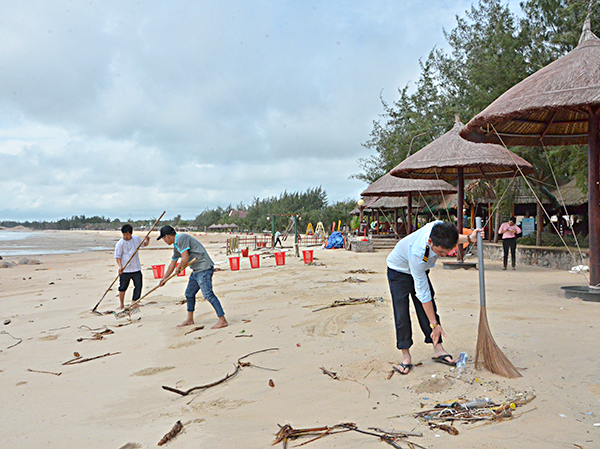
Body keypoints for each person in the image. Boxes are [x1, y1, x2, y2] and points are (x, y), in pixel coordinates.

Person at [386, 220, 480, 375]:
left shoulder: (441, 229)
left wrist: (470, 238)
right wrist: (434, 325)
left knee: (429, 309)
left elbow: (454, 237)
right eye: (440, 253)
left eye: (445, 253)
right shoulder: (418, 252)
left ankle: (438, 349)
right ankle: (406, 356)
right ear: (430, 242)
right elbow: (422, 294)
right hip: (399, 270)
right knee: (402, 312)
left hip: (419, 270)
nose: (442, 256)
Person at [157, 225, 228, 329]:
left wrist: (179, 267)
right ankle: (189, 319)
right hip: (196, 270)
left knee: (208, 294)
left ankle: (222, 320)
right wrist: (164, 279)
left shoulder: (181, 238)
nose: (164, 240)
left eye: (163, 238)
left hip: (203, 268)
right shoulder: (176, 246)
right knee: (189, 294)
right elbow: (172, 263)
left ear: (167, 236)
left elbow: (185, 259)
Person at [114, 224, 149, 309]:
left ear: (131, 233)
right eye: (124, 234)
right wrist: (120, 266)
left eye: (127, 234)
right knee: (122, 287)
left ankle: (134, 302)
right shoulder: (120, 243)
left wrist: (147, 240)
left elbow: (144, 244)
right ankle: (121, 304)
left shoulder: (136, 239)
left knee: (138, 285)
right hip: (125, 269)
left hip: (136, 268)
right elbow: (117, 256)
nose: (126, 236)